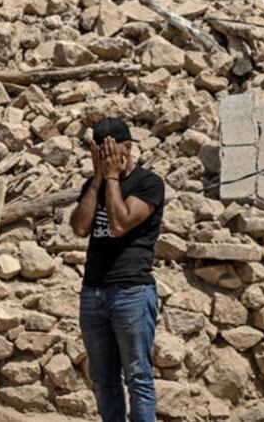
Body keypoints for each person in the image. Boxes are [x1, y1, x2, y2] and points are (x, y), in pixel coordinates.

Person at [70, 117, 165, 422]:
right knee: (103, 378)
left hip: (131, 291)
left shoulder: (148, 183)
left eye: (113, 150)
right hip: (94, 290)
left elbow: (120, 223)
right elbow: (80, 227)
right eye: (101, 152)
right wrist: (99, 178)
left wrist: (111, 178)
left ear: (128, 147)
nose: (108, 157)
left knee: (137, 377)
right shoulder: (94, 185)